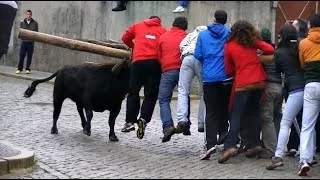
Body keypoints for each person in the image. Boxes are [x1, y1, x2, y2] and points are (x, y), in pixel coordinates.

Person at [218, 20, 274, 163]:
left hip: (243, 83)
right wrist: (256, 56)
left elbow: (228, 69)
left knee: (236, 114)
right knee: (253, 113)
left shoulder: (229, 46)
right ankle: (254, 143)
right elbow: (270, 49)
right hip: (259, 82)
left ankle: (230, 145)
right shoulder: (253, 41)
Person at [265, 24, 305, 171]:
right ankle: (308, 154)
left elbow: (277, 69)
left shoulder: (280, 52)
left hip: (294, 89)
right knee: (307, 124)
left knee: (285, 123)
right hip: (307, 86)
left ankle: (278, 156)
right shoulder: (300, 47)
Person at [193, 10, 232, 160]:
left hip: (209, 78)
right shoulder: (229, 34)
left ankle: (210, 144)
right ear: (225, 20)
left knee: (211, 111)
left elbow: (198, 54)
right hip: (226, 78)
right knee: (224, 108)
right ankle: (223, 134)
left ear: (214, 19)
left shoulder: (202, 34)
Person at [121, 16, 167, 139]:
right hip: (154, 64)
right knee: (150, 94)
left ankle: (130, 121)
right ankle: (143, 119)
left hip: (138, 62)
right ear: (159, 22)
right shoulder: (163, 31)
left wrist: (133, 47)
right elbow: (164, 47)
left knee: (133, 91)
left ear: (148, 19)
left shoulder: (138, 25)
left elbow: (125, 37)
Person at [157, 17, 188, 143]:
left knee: (163, 100)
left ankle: (167, 126)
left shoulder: (163, 36)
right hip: (183, 69)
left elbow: (159, 56)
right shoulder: (187, 37)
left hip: (168, 70)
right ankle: (186, 124)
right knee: (184, 94)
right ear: (184, 27)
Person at [298, 13, 320, 176]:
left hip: (311, 84)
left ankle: (305, 159)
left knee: (307, 125)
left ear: (310, 26)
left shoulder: (304, 43)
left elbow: (302, 64)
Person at [258, 27, 283, 159]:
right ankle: (276, 145)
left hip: (268, 88)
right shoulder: (277, 51)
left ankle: (270, 149)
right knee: (276, 117)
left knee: (266, 119)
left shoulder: (261, 52)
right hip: (280, 87)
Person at [177, 26, 207, 134]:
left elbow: (181, 46)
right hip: (200, 60)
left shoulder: (190, 35)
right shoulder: (207, 35)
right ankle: (201, 122)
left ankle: (182, 119)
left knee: (183, 90)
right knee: (205, 92)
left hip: (187, 58)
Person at [286, 18, 308, 157]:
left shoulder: (295, 45)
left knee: (293, 117)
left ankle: (294, 144)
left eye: (293, 26)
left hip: (297, 84)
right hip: (306, 82)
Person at [16, 9, 38, 74]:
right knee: (21, 56)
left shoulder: (35, 23)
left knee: (29, 56)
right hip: (24, 42)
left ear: (31, 15)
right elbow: (20, 32)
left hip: (31, 42)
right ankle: (19, 69)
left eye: (30, 14)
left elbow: (36, 33)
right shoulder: (22, 22)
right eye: (27, 14)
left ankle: (27, 69)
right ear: (25, 15)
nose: (28, 15)